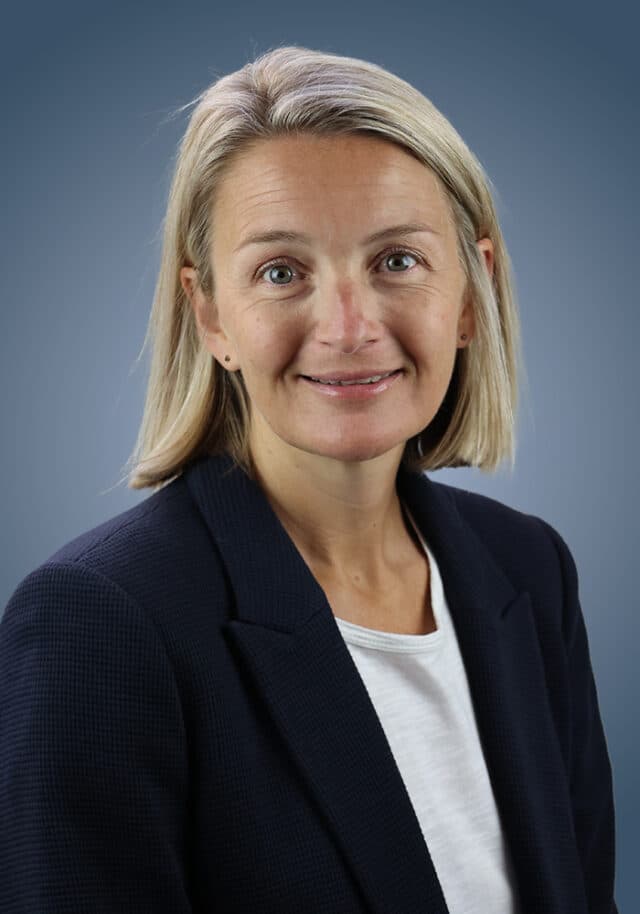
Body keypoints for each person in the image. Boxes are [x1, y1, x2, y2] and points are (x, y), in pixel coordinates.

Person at [0, 45, 618, 914]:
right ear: (211, 315)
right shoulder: (100, 622)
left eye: (397, 260)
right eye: (282, 272)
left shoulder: (528, 568)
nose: (348, 327)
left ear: (471, 293)